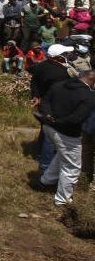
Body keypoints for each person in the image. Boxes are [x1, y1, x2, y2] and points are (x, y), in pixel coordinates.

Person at [38, 70, 95, 206]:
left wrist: (48, 116)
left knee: (62, 155)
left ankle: (46, 181)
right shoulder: (89, 96)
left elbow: (45, 101)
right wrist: (58, 121)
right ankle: (62, 200)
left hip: (48, 128)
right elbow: (77, 118)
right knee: (72, 167)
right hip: (66, 133)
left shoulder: (59, 84)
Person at [29, 44, 75, 173]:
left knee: (45, 130)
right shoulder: (61, 72)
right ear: (59, 57)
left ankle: (39, 154)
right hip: (54, 105)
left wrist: (36, 95)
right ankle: (45, 164)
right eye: (65, 54)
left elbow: (34, 81)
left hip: (43, 102)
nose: (67, 56)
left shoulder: (42, 66)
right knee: (51, 134)